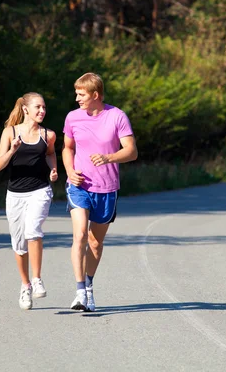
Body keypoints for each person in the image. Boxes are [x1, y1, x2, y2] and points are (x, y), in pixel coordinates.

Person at [62, 72, 138, 311]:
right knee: (80, 236)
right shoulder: (73, 118)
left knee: (95, 243)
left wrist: (109, 157)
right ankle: (80, 292)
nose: (77, 98)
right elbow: (67, 148)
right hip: (79, 186)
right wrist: (69, 170)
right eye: (76, 93)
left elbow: (132, 151)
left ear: (95, 95)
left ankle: (89, 285)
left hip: (106, 188)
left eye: (81, 94)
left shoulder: (117, 116)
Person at [0, 92, 58, 310]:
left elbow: (50, 154)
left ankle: (38, 278)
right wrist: (12, 149)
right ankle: (25, 285)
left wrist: (54, 169)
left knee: (33, 231)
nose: (42, 111)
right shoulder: (9, 133)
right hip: (15, 195)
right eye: (38, 107)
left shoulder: (48, 134)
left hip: (40, 190)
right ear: (26, 109)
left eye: (44, 107)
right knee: (19, 244)